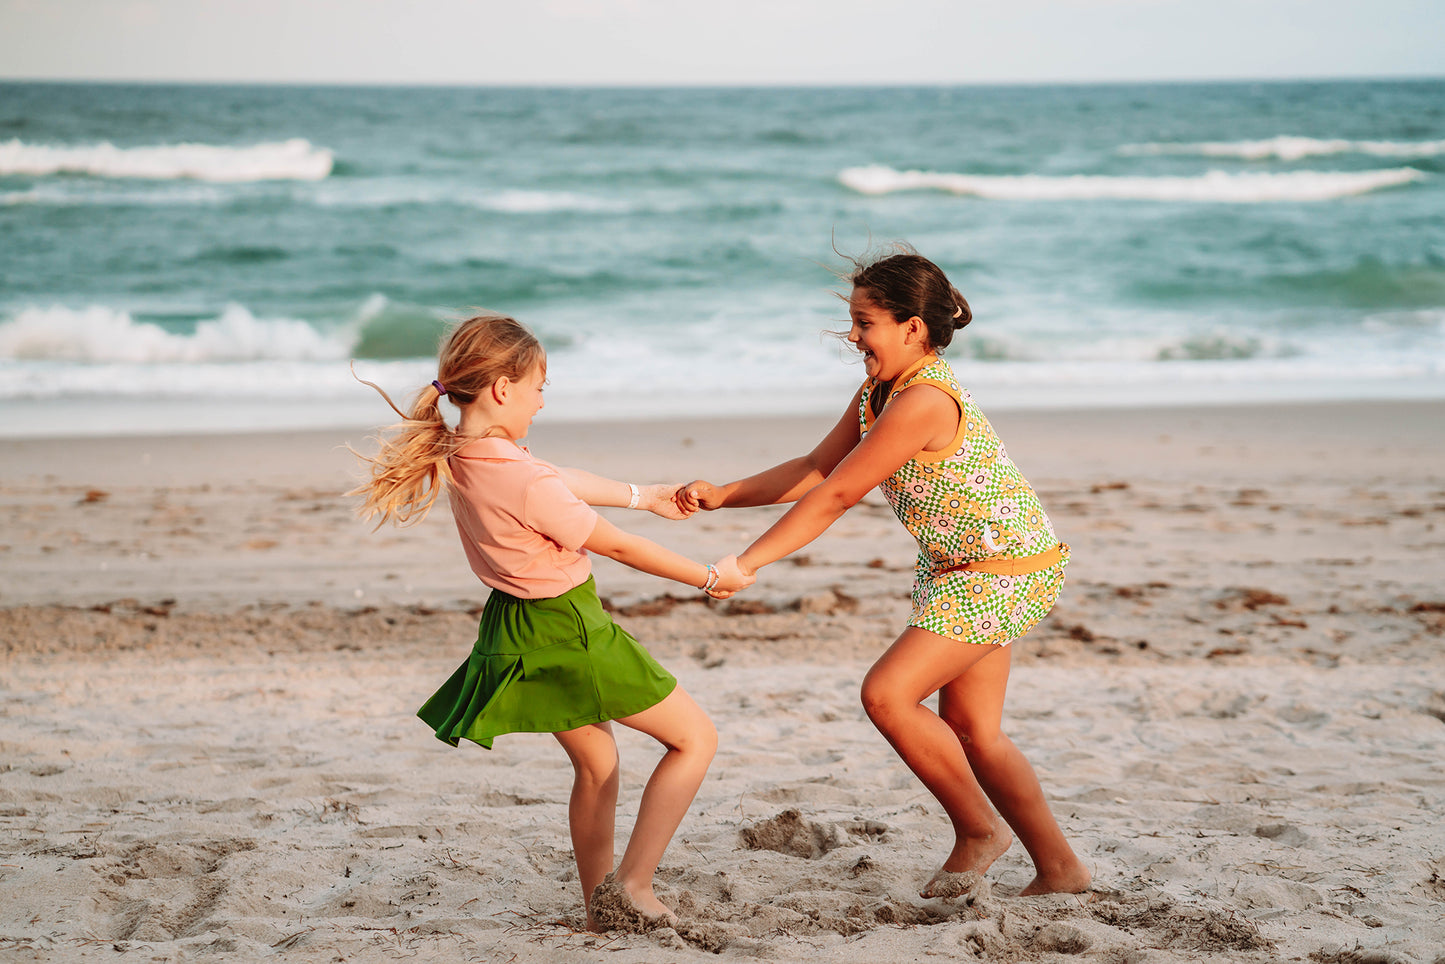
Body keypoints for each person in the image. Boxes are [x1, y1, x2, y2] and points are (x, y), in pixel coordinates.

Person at [678, 246, 1090, 898]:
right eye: (852, 320)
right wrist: (723, 493)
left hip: (1002, 570)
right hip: (958, 568)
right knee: (974, 731)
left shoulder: (923, 400)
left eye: (864, 322)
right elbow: (818, 469)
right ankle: (1060, 868)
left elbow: (838, 496)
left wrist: (745, 562)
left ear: (911, 328)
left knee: (887, 695)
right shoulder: (879, 391)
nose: (852, 335)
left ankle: (977, 830)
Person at [352, 313, 752, 931]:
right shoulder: (520, 476)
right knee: (695, 739)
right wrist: (707, 577)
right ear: (502, 389)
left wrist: (645, 493)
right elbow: (618, 546)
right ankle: (635, 885)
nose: (542, 401)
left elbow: (561, 479)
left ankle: (600, 905)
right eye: (539, 386)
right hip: (568, 627)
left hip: (511, 628)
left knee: (596, 765)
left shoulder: (462, 453)